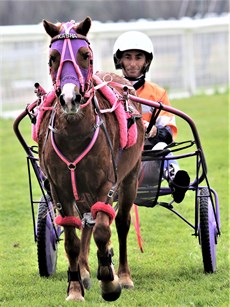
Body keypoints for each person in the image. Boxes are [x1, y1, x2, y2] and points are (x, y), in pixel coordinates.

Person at [113, 31, 190, 203]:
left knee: (162, 146)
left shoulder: (157, 93)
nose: (133, 63)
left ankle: (176, 182)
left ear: (147, 61)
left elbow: (169, 133)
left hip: (148, 164)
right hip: (116, 164)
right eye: (128, 57)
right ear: (120, 60)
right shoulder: (110, 90)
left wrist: (154, 131)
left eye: (138, 57)